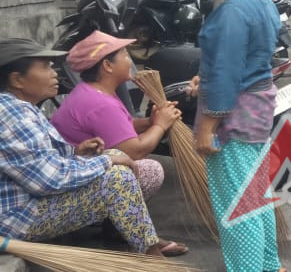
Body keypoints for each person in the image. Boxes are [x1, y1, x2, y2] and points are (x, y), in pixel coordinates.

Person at [0, 38, 169, 256]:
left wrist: (76, 153)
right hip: (18, 218)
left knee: (116, 157)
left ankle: (138, 237)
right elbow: (49, 180)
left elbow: (38, 162)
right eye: (45, 67)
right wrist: (160, 126)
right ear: (17, 80)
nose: (54, 73)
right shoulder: (13, 115)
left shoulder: (20, 107)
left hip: (31, 200)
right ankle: (152, 255)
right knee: (118, 178)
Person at [191, 0, 283, 272]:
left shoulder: (232, 11)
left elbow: (226, 74)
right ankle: (268, 265)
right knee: (256, 196)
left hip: (235, 122)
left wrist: (206, 128)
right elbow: (248, 61)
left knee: (237, 207)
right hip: (258, 114)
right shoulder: (263, 2)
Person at [50, 32, 181, 199]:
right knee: (151, 171)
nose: (130, 62)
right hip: (74, 182)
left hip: (79, 167)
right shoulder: (99, 104)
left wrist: (150, 122)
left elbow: (119, 128)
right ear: (107, 65)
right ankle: (113, 216)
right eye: (126, 56)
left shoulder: (94, 91)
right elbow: (135, 151)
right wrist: (160, 126)